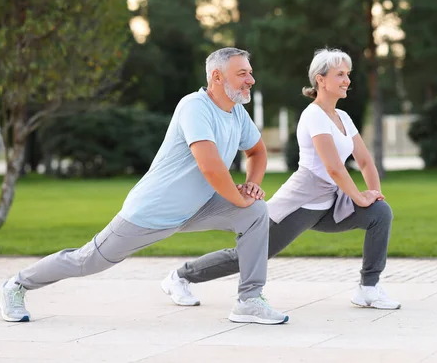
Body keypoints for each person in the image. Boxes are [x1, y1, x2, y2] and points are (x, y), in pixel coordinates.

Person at [0, 47, 289, 325]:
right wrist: (239, 200)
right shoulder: (194, 106)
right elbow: (210, 167)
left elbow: (257, 152)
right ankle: (16, 284)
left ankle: (249, 300)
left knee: (255, 212)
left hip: (199, 207)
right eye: (242, 74)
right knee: (88, 261)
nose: (251, 79)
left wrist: (250, 187)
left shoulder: (237, 112)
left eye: (250, 73)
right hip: (152, 211)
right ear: (217, 76)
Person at [161, 48, 400, 310]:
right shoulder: (313, 115)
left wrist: (373, 194)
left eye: (348, 74)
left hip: (331, 204)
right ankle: (180, 277)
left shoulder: (342, 117)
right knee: (252, 255)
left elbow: (364, 161)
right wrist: (359, 197)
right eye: (340, 74)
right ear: (320, 79)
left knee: (380, 212)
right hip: (302, 203)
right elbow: (333, 168)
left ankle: (368, 288)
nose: (347, 80)